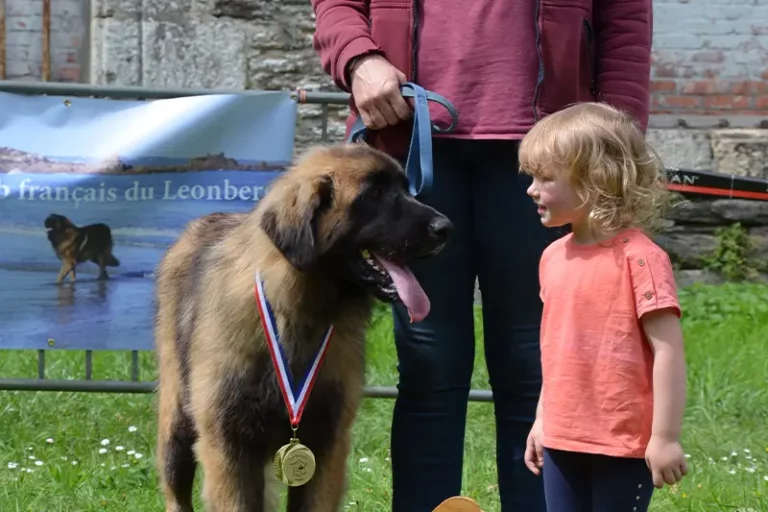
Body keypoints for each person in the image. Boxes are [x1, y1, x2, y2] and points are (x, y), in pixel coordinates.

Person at [309, 0, 653, 510]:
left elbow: (625, 20)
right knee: (429, 364)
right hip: (412, 138)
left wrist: (617, 133)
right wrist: (360, 59)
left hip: (551, 153)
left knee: (535, 366)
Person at [519, 102, 689, 512]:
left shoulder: (641, 258)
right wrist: (544, 420)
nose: (531, 189)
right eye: (532, 177)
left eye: (545, 178)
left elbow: (668, 350)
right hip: (562, 439)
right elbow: (555, 350)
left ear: (596, 181)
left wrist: (664, 437)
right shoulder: (552, 257)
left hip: (622, 444)